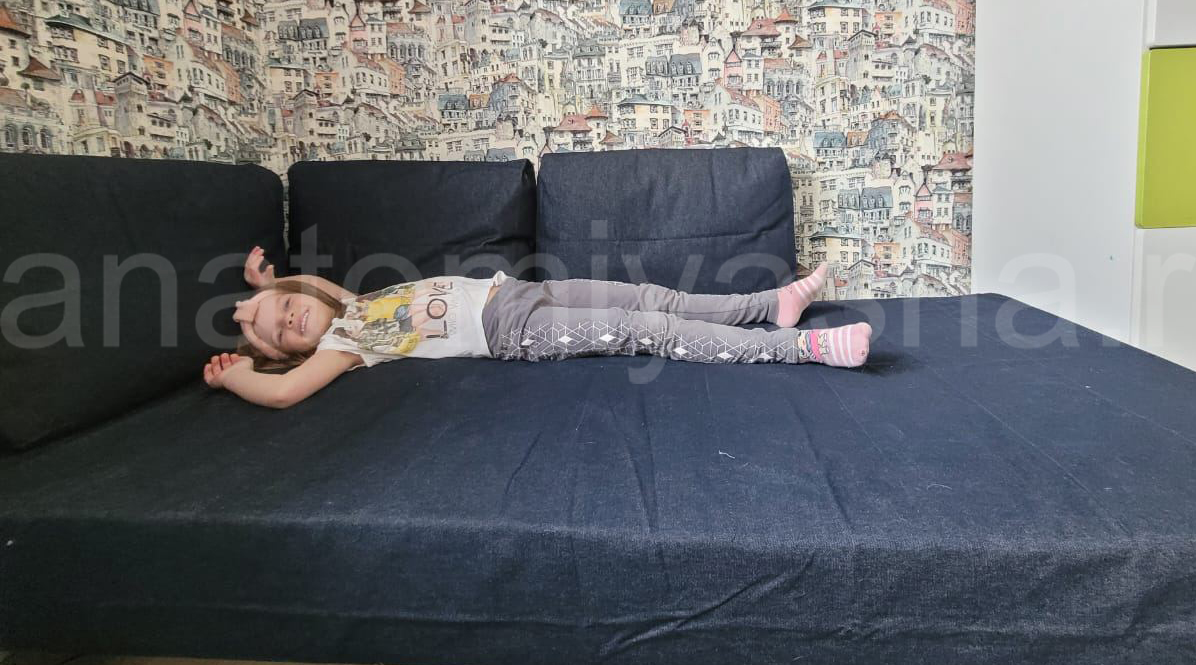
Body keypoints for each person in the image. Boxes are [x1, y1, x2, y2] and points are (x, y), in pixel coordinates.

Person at [202, 246, 873, 408]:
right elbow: (284, 392)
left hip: (522, 291)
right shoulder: (347, 343)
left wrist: (265, 291)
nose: (291, 318)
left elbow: (312, 293)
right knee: (649, 329)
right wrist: (241, 375)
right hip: (515, 335)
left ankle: (769, 304)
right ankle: (801, 347)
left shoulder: (350, 306)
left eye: (287, 307)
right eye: (284, 332)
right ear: (296, 352)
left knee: (653, 296)